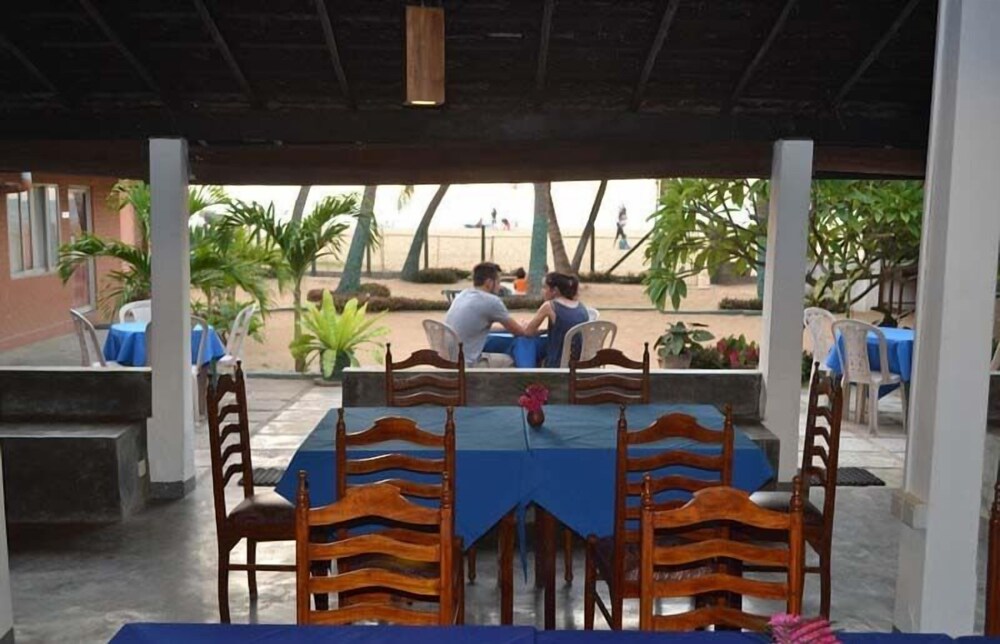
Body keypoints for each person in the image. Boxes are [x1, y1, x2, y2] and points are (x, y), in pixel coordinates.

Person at [445, 262, 525, 367]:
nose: (500, 287)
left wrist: (506, 328)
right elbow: (520, 332)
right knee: (510, 361)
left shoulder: (462, 295)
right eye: (498, 282)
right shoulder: (492, 301)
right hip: (467, 364)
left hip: (449, 361)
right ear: (489, 283)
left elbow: (475, 327)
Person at [523, 272, 589, 368]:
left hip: (557, 364)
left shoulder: (549, 306)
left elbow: (528, 332)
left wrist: (526, 326)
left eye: (544, 287)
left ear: (555, 290)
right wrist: (543, 331)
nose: (542, 291)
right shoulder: (581, 307)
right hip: (578, 363)